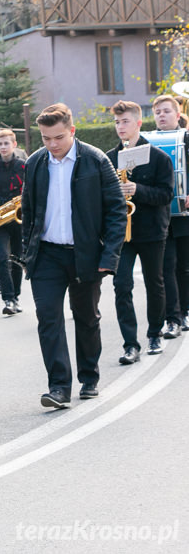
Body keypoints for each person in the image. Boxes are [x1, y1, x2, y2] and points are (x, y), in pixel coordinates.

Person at [21, 103, 126, 409]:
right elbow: (28, 211)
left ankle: (89, 377)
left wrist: (109, 256)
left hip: (85, 254)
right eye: (45, 138)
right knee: (48, 318)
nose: (52, 144)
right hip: (47, 255)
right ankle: (59, 387)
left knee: (86, 317)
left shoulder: (96, 160)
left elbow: (117, 213)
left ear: (72, 131)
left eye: (58, 137)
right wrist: (29, 251)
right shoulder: (35, 163)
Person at [106, 100, 173, 363]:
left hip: (151, 230)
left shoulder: (158, 157)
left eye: (125, 121)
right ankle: (130, 345)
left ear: (137, 123)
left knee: (154, 283)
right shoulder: (109, 159)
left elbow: (167, 194)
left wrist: (138, 190)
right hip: (122, 232)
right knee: (121, 285)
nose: (120, 127)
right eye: (116, 122)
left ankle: (154, 333)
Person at [153, 94, 189, 338]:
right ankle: (173, 317)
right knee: (167, 267)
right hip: (161, 215)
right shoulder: (147, 141)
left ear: (177, 115)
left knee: (185, 267)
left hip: (185, 215)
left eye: (166, 111)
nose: (161, 116)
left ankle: (185, 310)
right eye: (157, 112)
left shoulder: (186, 138)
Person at [0, 129, 26, 315]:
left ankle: (16, 297)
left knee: (17, 258)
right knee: (1, 257)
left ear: (14, 145)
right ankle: (8, 298)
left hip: (18, 217)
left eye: (5, 143)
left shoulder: (23, 166)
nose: (2, 147)